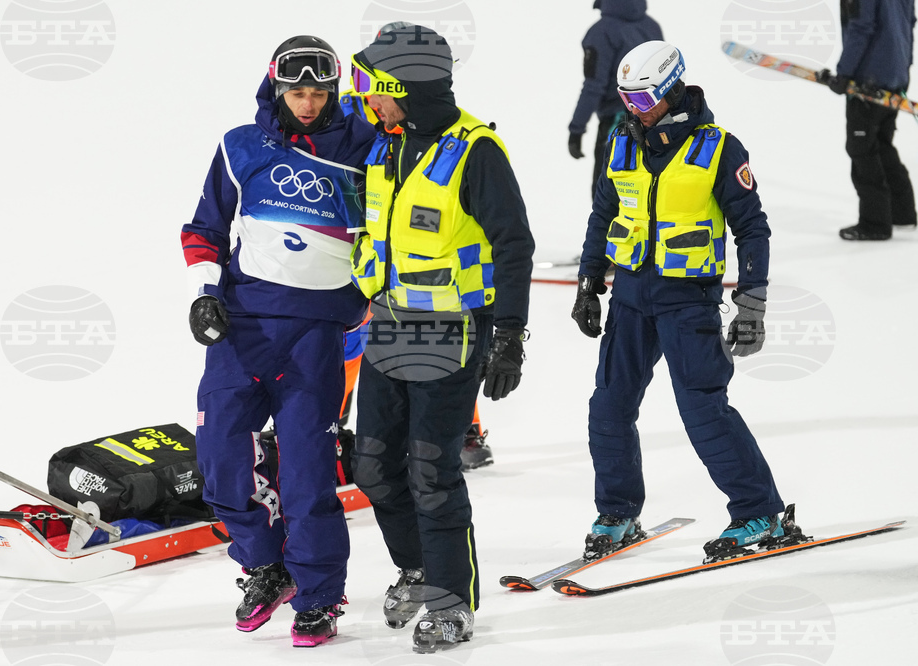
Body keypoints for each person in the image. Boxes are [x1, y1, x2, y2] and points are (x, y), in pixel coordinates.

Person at [571, 41, 805, 564]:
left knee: (702, 408)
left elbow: (752, 228)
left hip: (688, 301)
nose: (633, 110)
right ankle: (617, 511)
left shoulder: (719, 149)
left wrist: (752, 302)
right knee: (608, 407)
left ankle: (760, 511)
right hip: (631, 298)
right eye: (625, 99)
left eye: (641, 99)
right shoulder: (621, 142)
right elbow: (603, 214)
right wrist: (589, 282)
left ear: (672, 90)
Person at [180, 35, 375, 647]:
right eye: (297, 92)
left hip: (318, 335)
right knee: (219, 462)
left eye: (319, 92)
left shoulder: (367, 145)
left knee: (309, 476)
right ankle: (266, 565)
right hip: (241, 329)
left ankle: (318, 597)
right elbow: (205, 228)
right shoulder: (241, 145)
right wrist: (205, 293)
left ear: (335, 90)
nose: (308, 103)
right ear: (276, 88)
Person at [346, 25, 534, 653]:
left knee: (431, 471)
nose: (367, 97)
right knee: (372, 464)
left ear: (407, 87)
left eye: (376, 85)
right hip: (388, 323)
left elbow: (514, 245)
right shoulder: (387, 145)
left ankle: (453, 604)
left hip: (451, 332)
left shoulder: (476, 152)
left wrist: (509, 335)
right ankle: (419, 568)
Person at [822, 0, 916, 240]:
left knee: (861, 148)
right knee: (882, 144)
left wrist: (845, 73)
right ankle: (902, 213)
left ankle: (875, 224)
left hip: (868, 82)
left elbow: (862, 26)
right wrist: (902, 71)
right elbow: (908, 23)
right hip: (894, 78)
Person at [567, 0, 663, 197]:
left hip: (619, 123)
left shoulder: (601, 32)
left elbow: (594, 85)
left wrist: (576, 129)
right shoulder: (651, 26)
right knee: (651, 191)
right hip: (658, 122)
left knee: (606, 195)